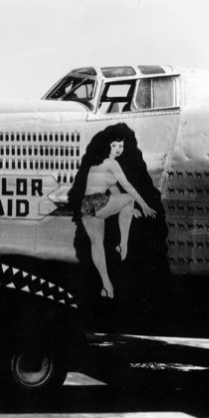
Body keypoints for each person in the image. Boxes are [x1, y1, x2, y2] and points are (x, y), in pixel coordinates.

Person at [71, 124, 156, 299]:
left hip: (86, 206)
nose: (118, 149)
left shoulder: (96, 164)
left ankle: (107, 287)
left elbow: (115, 191)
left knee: (97, 245)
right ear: (108, 146)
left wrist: (128, 210)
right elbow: (128, 187)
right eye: (114, 145)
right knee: (130, 198)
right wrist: (144, 205)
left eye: (121, 145)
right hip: (99, 202)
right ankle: (123, 245)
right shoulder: (112, 163)